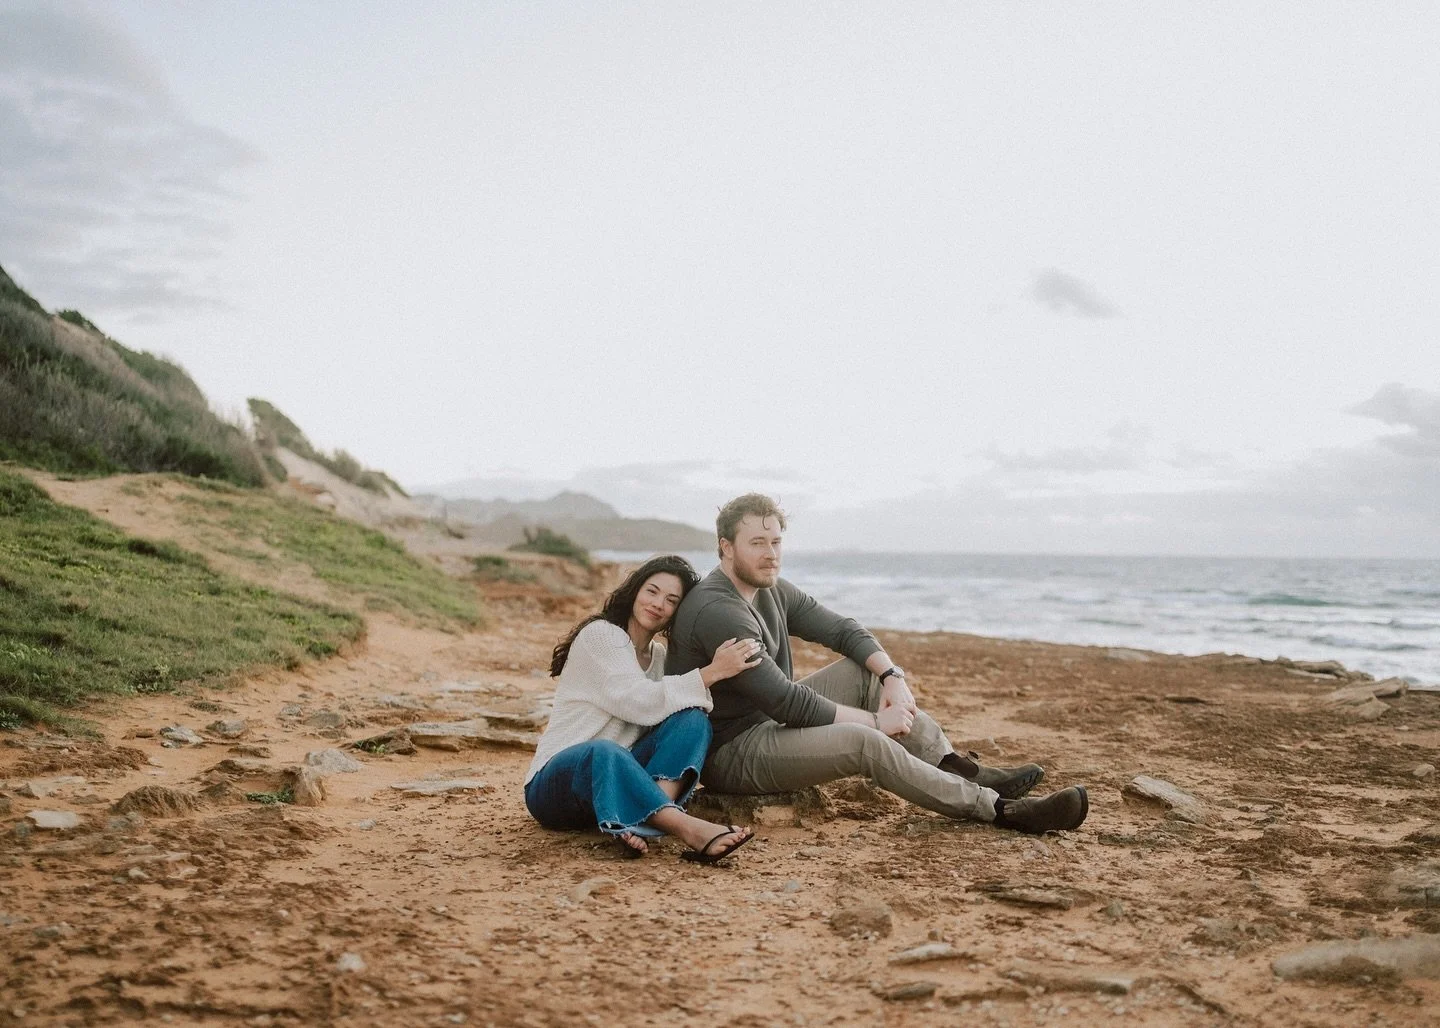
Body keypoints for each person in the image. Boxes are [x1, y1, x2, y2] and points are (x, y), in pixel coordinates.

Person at [665, 494, 1090, 835]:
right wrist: (875, 722)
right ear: (725, 547)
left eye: (776, 542)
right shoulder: (719, 609)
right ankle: (1001, 810)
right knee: (864, 742)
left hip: (768, 724)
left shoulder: (770, 588)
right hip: (733, 752)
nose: (771, 554)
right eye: (757, 543)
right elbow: (786, 702)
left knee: (863, 671)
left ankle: (962, 771)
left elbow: (844, 630)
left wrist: (892, 677)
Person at [525, 554, 762, 862]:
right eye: (652, 591)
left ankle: (642, 818)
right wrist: (711, 672)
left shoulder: (660, 658)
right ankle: (687, 828)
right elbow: (637, 701)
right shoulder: (601, 635)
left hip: (616, 787)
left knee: (693, 719)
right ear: (635, 590)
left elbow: (686, 707)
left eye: (672, 600)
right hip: (555, 785)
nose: (658, 604)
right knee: (604, 751)